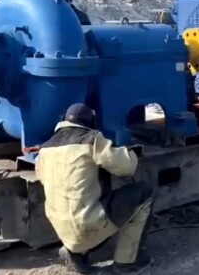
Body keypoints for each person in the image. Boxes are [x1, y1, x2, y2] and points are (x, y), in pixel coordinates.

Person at [35, 103, 153, 274]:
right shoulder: (91, 139)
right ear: (91, 122)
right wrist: (128, 151)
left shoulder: (45, 149)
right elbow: (126, 167)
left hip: (62, 229)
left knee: (78, 198)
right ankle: (127, 262)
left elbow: (42, 177)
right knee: (143, 194)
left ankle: (75, 253)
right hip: (88, 224)